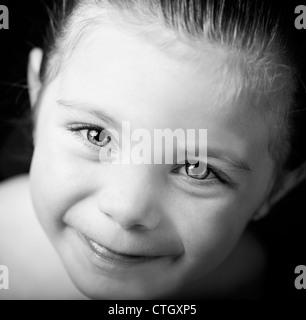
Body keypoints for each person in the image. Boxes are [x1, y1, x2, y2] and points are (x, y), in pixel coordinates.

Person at [0, 0, 305, 300]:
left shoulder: (251, 276)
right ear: (36, 95)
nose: (127, 209)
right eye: (96, 135)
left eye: (197, 168)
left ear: (274, 190)